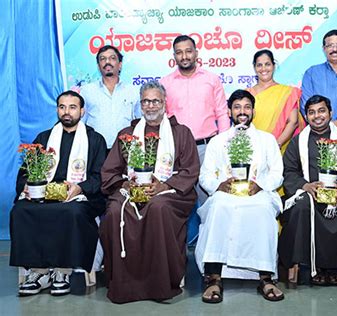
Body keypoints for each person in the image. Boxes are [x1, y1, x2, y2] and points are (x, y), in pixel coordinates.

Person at [99, 80, 200, 303]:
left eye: (155, 101)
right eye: (146, 101)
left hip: (170, 193)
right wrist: (126, 185)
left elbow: (190, 170)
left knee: (158, 207)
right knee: (115, 212)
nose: (151, 106)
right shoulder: (127, 134)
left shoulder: (181, 133)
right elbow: (110, 171)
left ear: (165, 103)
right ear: (140, 104)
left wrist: (164, 185)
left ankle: (161, 282)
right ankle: (123, 282)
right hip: (130, 191)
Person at [10, 91, 107, 296]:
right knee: (21, 210)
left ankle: (62, 272)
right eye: (62, 107)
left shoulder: (95, 140)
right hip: (44, 195)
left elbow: (100, 177)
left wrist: (80, 187)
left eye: (72, 107)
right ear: (57, 110)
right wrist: (27, 186)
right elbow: (25, 172)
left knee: (72, 212)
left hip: (79, 196)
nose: (66, 112)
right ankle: (38, 272)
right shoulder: (44, 138)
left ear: (82, 111)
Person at [195, 89, 285, 303]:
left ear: (253, 110)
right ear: (229, 111)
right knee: (218, 207)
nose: (242, 112)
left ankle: (265, 277)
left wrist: (260, 185)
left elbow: (277, 174)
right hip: (226, 194)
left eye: (246, 107)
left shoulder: (267, 139)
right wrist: (219, 185)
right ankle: (214, 277)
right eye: (237, 107)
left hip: (258, 193)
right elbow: (205, 174)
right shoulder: (218, 141)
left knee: (262, 209)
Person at [279, 95, 337, 287]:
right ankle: (310, 266)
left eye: (321, 111)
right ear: (306, 116)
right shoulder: (298, 142)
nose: (317, 116)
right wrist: (305, 186)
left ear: (330, 113)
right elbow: (289, 172)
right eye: (311, 112)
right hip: (309, 193)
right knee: (301, 207)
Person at [161, 35, 230, 204]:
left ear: (196, 53)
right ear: (174, 56)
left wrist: (224, 145)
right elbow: (163, 118)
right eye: (179, 52)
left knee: (209, 197)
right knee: (179, 198)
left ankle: (207, 231)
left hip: (206, 148)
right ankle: (188, 232)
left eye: (188, 51)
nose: (184, 56)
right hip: (178, 150)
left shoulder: (212, 79)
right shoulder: (165, 83)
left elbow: (222, 113)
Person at [81, 45, 141, 149]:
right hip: (96, 149)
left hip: (125, 148)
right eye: (102, 59)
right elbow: (81, 123)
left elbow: (140, 121)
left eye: (112, 58)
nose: (107, 62)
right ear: (98, 66)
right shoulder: (87, 91)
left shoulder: (133, 91)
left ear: (120, 65)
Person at [247, 49, 305, 153]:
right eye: (259, 65)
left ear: (273, 66)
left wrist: (275, 146)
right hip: (252, 149)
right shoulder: (247, 94)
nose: (263, 68)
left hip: (279, 149)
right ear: (254, 68)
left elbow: (293, 122)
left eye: (267, 64)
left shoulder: (288, 93)